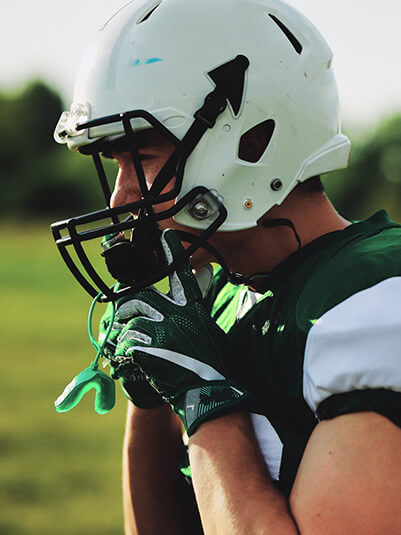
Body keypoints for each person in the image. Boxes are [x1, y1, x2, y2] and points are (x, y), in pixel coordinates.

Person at [53, 0, 401, 533]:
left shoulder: (373, 303)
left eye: (142, 158)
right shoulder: (218, 298)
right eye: (116, 164)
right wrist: (153, 398)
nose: (122, 197)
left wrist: (205, 399)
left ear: (254, 143)